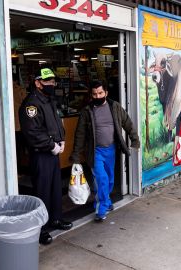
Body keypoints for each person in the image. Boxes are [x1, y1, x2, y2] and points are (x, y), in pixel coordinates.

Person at [70, 81, 140, 222]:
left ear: (106, 93)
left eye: (100, 93)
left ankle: (106, 200)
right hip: (95, 151)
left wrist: (134, 139)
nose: (98, 96)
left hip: (111, 149)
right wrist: (76, 155)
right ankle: (101, 208)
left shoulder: (114, 107)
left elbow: (127, 122)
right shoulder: (87, 112)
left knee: (109, 180)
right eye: (94, 94)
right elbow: (80, 134)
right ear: (91, 95)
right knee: (101, 179)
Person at [19, 68, 72, 245]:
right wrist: (52, 145)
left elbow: (57, 123)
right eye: (47, 81)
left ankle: (55, 219)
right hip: (41, 155)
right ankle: (40, 229)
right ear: (37, 83)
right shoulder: (31, 104)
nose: (51, 84)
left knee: (55, 188)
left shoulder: (49, 100)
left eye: (52, 81)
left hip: (53, 152)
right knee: (41, 191)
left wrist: (62, 139)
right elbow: (33, 132)